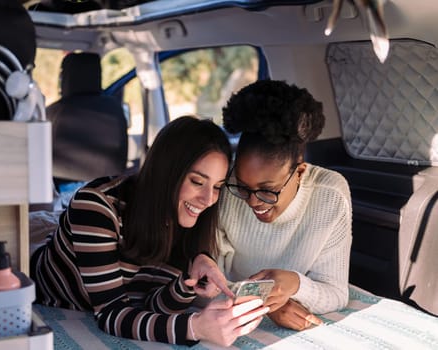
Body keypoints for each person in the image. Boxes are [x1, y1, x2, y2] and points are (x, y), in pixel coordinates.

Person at [30, 116, 269, 346]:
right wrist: (196, 327)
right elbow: (111, 315)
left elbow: (150, 304)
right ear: (166, 172)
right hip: (53, 293)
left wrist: (186, 285)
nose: (208, 199)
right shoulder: (96, 206)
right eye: (197, 182)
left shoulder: (188, 219)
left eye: (217, 187)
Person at [217, 80, 353, 331]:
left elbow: (336, 292)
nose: (253, 201)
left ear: (300, 172)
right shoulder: (223, 188)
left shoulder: (331, 194)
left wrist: (295, 284)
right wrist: (267, 305)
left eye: (268, 191)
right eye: (243, 186)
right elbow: (206, 285)